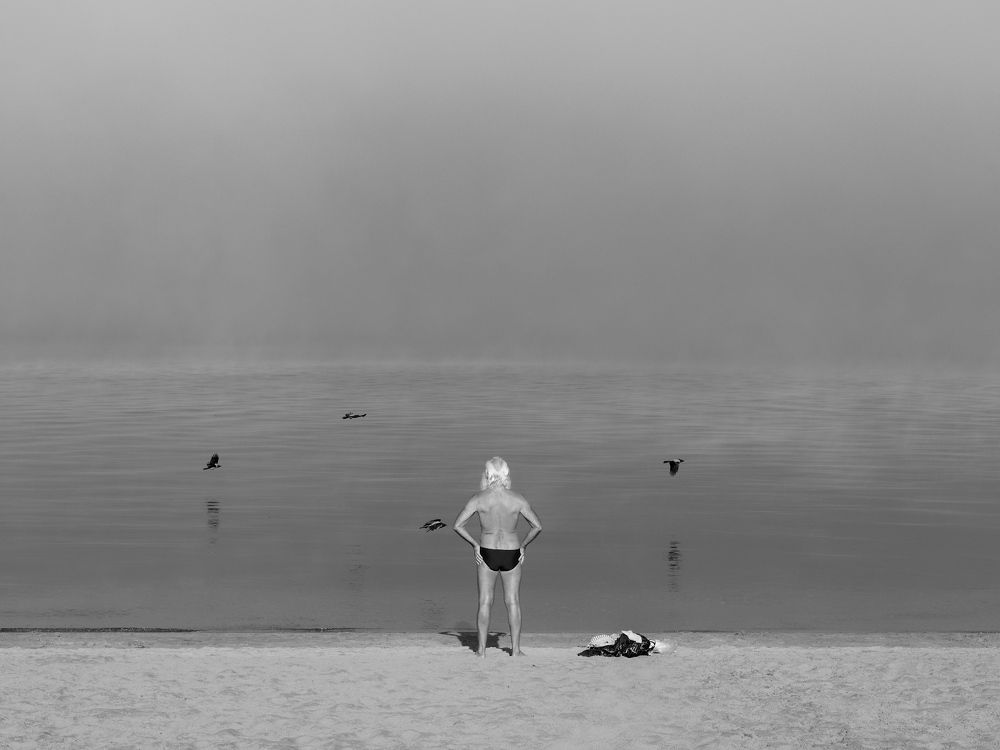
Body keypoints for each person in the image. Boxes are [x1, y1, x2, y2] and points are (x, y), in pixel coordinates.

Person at [453, 457, 542, 658]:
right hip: (512, 552)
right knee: (513, 601)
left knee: (485, 601)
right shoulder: (518, 499)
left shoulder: (479, 498)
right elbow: (537, 526)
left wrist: (475, 545)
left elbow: (458, 525)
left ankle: (482, 651)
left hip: (487, 552)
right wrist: (523, 546)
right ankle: (516, 650)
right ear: (506, 474)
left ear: (487, 474)